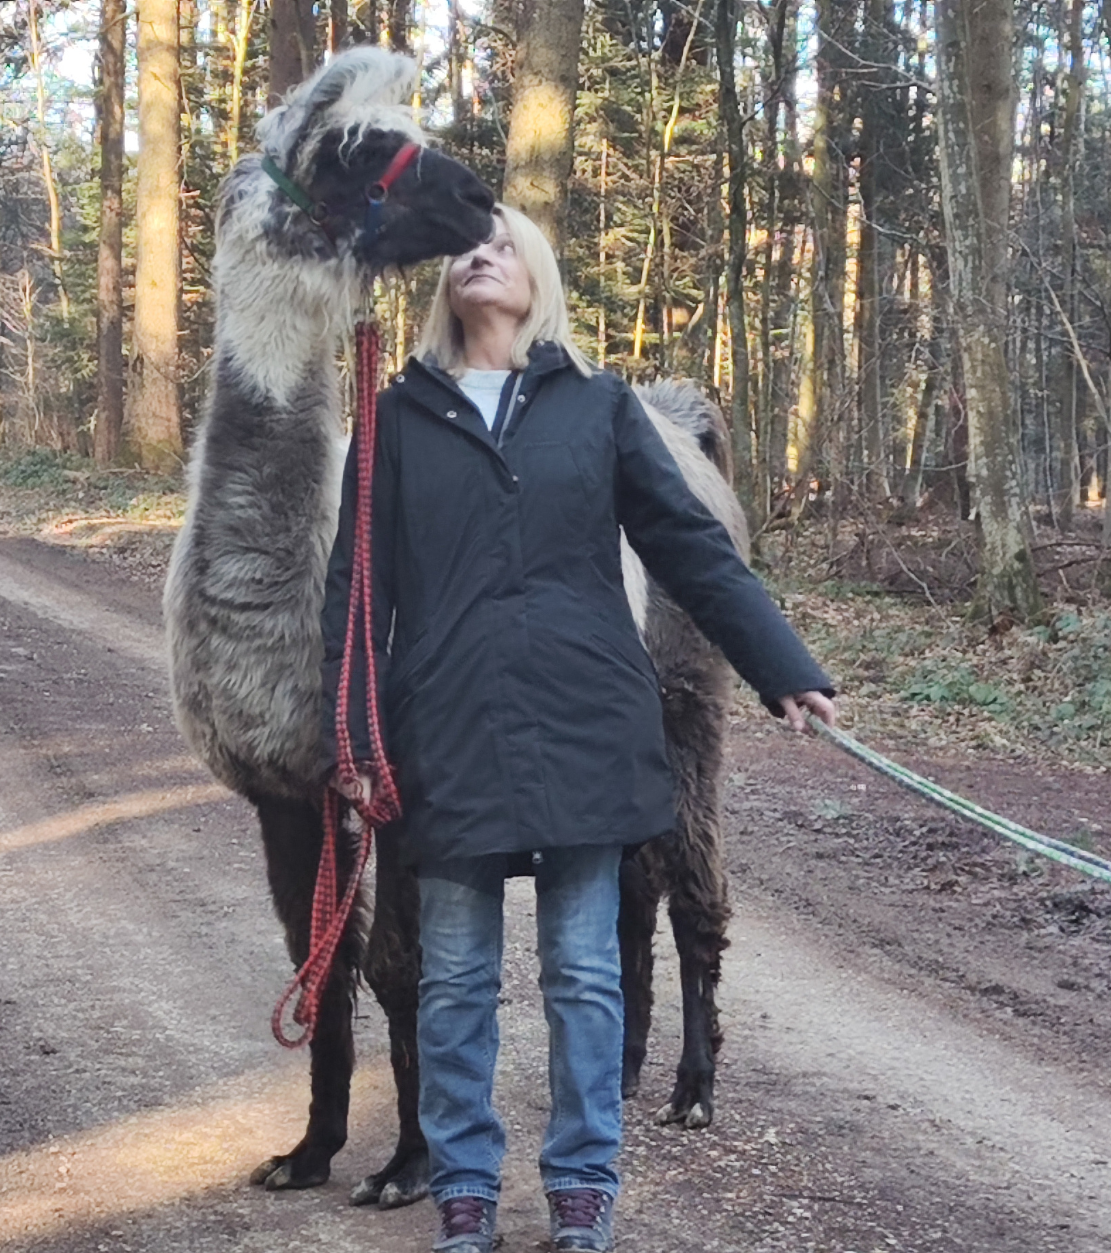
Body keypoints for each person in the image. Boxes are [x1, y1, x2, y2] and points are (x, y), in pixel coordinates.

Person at [319, 204, 836, 1253]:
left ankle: (581, 1187)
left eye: (501, 242)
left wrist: (781, 666)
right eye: (464, 245)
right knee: (455, 979)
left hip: (586, 719)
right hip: (447, 726)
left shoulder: (596, 405)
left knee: (584, 974)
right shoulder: (394, 419)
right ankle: (465, 1188)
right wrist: (352, 735)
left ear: (537, 276)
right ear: (442, 284)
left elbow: (689, 546)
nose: (479, 253)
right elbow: (354, 593)